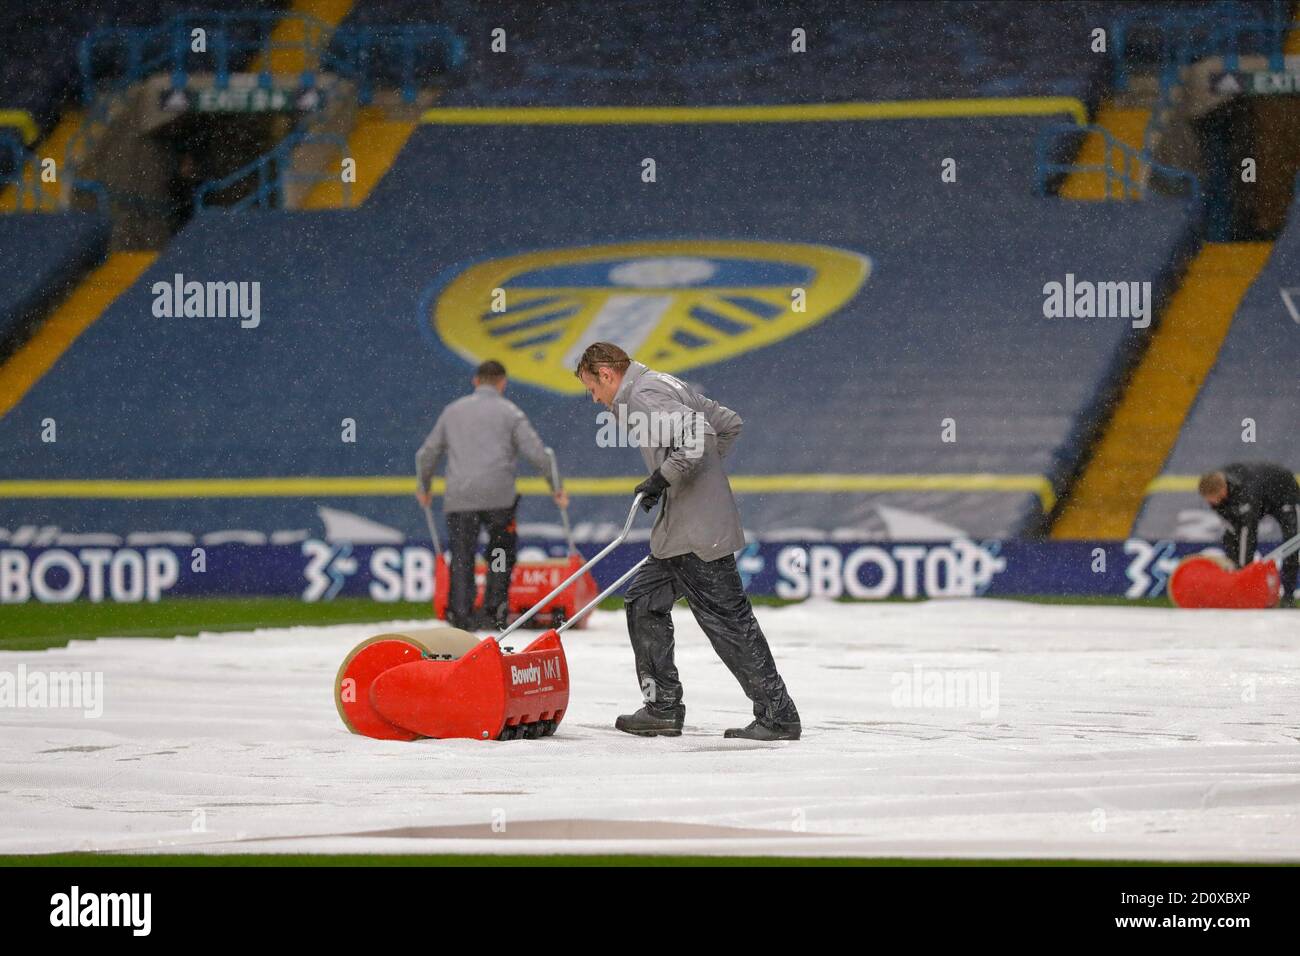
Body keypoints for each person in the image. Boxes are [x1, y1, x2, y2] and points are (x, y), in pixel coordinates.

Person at [574, 341, 801, 741]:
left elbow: (698, 434)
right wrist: (696, 477)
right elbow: (728, 423)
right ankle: (661, 708)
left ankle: (778, 716)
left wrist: (668, 477)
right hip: (682, 530)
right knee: (644, 601)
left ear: (606, 374)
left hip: (696, 533)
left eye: (592, 388)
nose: (594, 399)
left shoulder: (642, 396)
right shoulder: (662, 383)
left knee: (729, 622)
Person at [416, 360, 567, 630]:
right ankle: (494, 612)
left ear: (476, 381)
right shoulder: (511, 413)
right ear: (502, 383)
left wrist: (424, 488)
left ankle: (461, 615)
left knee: (462, 555)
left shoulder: (452, 412)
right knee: (499, 553)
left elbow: (426, 454)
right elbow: (538, 454)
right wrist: (556, 487)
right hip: (499, 499)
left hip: (460, 498)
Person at [1198, 462, 1299, 608]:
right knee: (1230, 536)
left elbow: (1248, 534)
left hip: (1284, 492)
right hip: (1260, 494)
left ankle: (1288, 597)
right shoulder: (1217, 489)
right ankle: (1239, 585)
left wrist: (1244, 571)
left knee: (1292, 540)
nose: (1212, 504)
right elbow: (1233, 529)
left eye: (1215, 499)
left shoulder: (1246, 491)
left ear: (1223, 491)